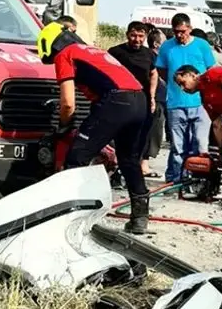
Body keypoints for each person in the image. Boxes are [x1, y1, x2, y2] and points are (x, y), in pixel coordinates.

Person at [37, 22, 151, 234]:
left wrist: (64, 126)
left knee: (77, 157)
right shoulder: (91, 50)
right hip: (139, 99)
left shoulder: (65, 54)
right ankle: (140, 218)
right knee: (129, 160)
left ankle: (71, 215)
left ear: (50, 45)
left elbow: (68, 103)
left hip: (116, 101)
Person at [153, 13, 217, 183]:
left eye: (183, 31)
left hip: (201, 103)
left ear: (189, 28)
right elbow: (161, 70)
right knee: (178, 146)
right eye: (176, 32)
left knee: (200, 144)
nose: (180, 35)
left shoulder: (202, 45)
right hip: (176, 102)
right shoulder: (167, 47)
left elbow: (212, 70)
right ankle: (175, 179)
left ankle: (197, 180)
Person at [108, 21, 159, 180]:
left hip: (142, 100)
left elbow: (154, 74)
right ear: (127, 35)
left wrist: (152, 96)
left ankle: (135, 166)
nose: (137, 39)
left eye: (140, 36)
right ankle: (115, 166)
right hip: (120, 99)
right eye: (133, 35)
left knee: (141, 135)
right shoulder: (115, 52)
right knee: (119, 135)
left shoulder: (149, 54)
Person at [174, 63, 222, 152]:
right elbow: (217, 124)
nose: (182, 88)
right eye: (179, 86)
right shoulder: (205, 98)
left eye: (182, 83)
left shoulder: (212, 74)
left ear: (192, 75)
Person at [144, 27, 167, 175]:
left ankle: (144, 165)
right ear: (157, 44)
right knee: (151, 133)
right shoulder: (152, 58)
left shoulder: (160, 58)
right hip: (155, 100)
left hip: (160, 99)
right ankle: (144, 166)